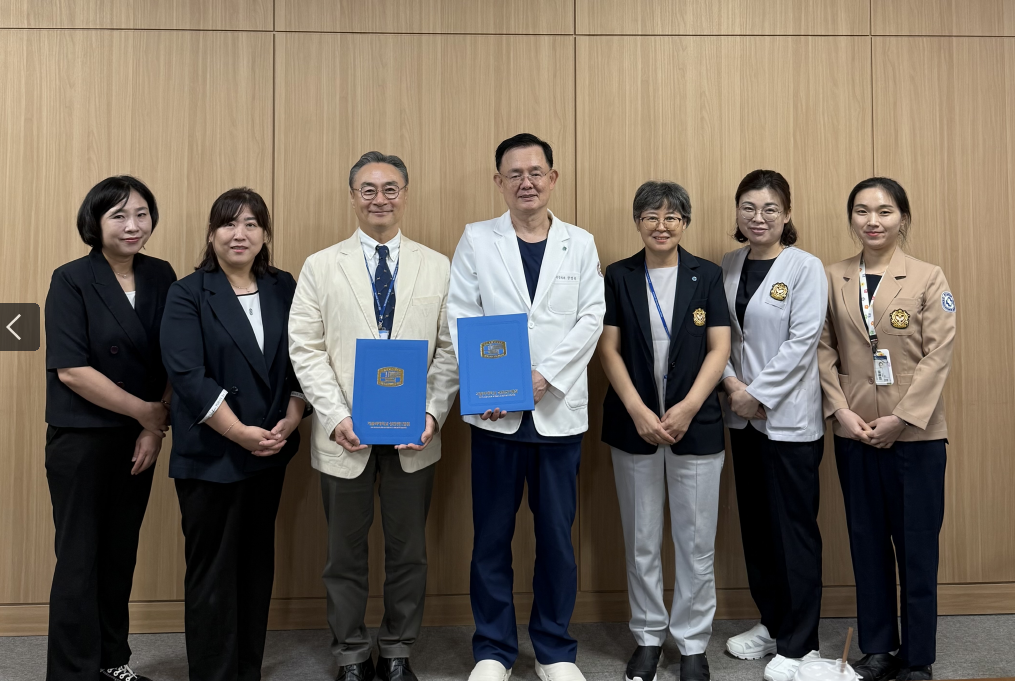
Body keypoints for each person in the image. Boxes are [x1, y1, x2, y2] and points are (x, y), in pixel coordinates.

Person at [288, 152, 458, 681]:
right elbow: (305, 348)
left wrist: (432, 414)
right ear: (353, 195)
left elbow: (449, 350)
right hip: (346, 435)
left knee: (408, 552)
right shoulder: (320, 265)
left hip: (415, 435)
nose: (379, 198)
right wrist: (337, 416)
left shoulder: (438, 265)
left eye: (389, 188)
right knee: (344, 554)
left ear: (405, 194)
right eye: (367, 189)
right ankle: (351, 654)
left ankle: (399, 648)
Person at [447, 133, 605, 681]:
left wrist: (544, 377)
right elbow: (463, 317)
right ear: (499, 182)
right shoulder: (476, 239)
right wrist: (496, 382)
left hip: (558, 415)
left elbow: (590, 320)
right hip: (496, 416)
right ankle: (493, 649)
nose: (526, 183)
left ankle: (554, 650)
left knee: (555, 539)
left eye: (536, 172)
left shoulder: (580, 243)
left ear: (553, 178)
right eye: (513, 174)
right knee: (491, 535)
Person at [161, 188, 308, 681]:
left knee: (254, 568)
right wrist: (239, 432)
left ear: (265, 233)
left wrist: (293, 411)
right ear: (211, 232)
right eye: (228, 223)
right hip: (210, 454)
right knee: (212, 575)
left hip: (269, 451)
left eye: (251, 223)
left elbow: (301, 357)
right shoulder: (187, 292)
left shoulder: (284, 286)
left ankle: (247, 670)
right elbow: (187, 375)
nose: (239, 233)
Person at [818, 178, 955, 681]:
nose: (872, 220)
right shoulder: (832, 276)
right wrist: (841, 412)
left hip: (916, 436)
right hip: (856, 433)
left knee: (917, 547)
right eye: (861, 210)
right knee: (866, 542)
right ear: (851, 217)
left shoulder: (927, 277)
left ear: (903, 218)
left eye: (884, 210)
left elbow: (939, 357)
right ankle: (877, 647)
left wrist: (902, 418)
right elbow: (822, 350)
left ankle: (918, 657)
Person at [43, 175, 175, 681]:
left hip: (137, 440)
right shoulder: (71, 278)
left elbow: (173, 357)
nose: (132, 225)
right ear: (95, 223)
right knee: (79, 559)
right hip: (82, 437)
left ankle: (111, 663)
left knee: (120, 554)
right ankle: (72, 673)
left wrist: (152, 428)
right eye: (118, 215)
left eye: (141, 213)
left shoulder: (162, 275)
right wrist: (144, 413)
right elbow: (71, 369)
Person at [599, 181, 731, 681]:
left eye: (672, 217)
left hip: (695, 427)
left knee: (696, 543)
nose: (662, 225)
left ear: (685, 224)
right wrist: (636, 409)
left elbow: (719, 347)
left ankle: (694, 643)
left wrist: (689, 407)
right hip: (634, 426)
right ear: (637, 221)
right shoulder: (619, 275)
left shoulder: (707, 276)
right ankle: (649, 637)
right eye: (651, 216)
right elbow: (608, 348)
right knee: (642, 539)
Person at [718, 170, 828, 681]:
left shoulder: (805, 268)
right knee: (758, 531)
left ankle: (801, 643)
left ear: (786, 213)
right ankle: (772, 624)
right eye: (748, 207)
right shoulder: (729, 264)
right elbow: (720, 337)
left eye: (769, 208)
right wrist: (735, 390)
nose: (758, 217)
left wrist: (757, 395)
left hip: (788, 423)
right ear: (737, 213)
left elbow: (802, 342)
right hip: (742, 420)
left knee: (794, 532)